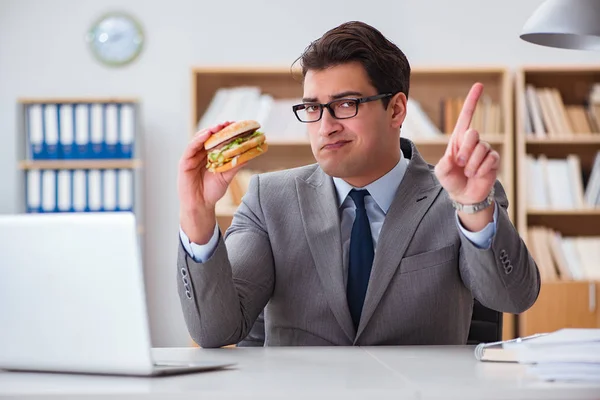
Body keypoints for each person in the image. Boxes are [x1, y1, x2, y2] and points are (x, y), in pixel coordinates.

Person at [176, 21, 540, 348]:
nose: (325, 126)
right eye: (313, 108)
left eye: (345, 104)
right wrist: (197, 213)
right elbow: (215, 331)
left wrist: (474, 207)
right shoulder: (269, 200)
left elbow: (513, 299)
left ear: (396, 110)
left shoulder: (459, 197)